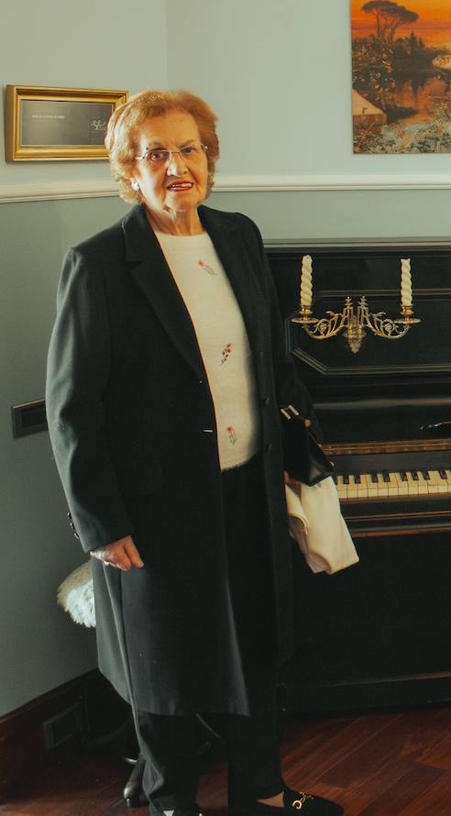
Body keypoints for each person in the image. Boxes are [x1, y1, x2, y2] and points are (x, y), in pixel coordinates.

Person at [45, 90, 342, 816]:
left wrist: (289, 451)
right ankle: (172, 804)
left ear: (209, 156)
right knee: (162, 672)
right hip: (151, 510)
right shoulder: (101, 264)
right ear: (129, 168)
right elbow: (72, 407)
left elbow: (274, 357)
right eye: (156, 154)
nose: (176, 167)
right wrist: (100, 522)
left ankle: (262, 797)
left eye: (189, 149)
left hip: (246, 490)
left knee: (256, 650)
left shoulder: (238, 236)